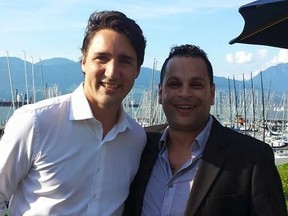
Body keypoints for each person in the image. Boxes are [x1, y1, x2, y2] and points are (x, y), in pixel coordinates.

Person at [0, 10, 147, 216]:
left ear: (137, 70)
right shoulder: (35, 123)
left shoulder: (136, 139)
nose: (112, 72)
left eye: (124, 61)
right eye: (101, 58)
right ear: (83, 61)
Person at [124, 44, 287, 216]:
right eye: (174, 84)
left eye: (196, 85)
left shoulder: (253, 158)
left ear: (212, 93)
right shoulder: (139, 144)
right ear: (160, 92)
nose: (185, 93)